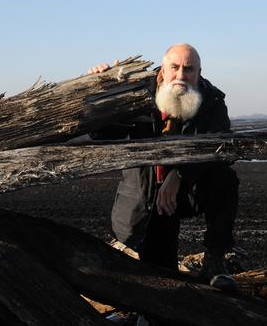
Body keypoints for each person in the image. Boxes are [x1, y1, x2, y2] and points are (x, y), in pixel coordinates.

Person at [89, 43, 239, 290]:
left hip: (185, 192)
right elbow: (101, 133)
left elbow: (221, 151)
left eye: (189, 69)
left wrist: (180, 175)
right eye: (175, 67)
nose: (181, 75)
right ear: (163, 70)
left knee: (224, 177)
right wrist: (100, 90)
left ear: (199, 73)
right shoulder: (136, 95)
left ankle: (215, 260)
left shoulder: (212, 101)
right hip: (146, 198)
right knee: (162, 280)